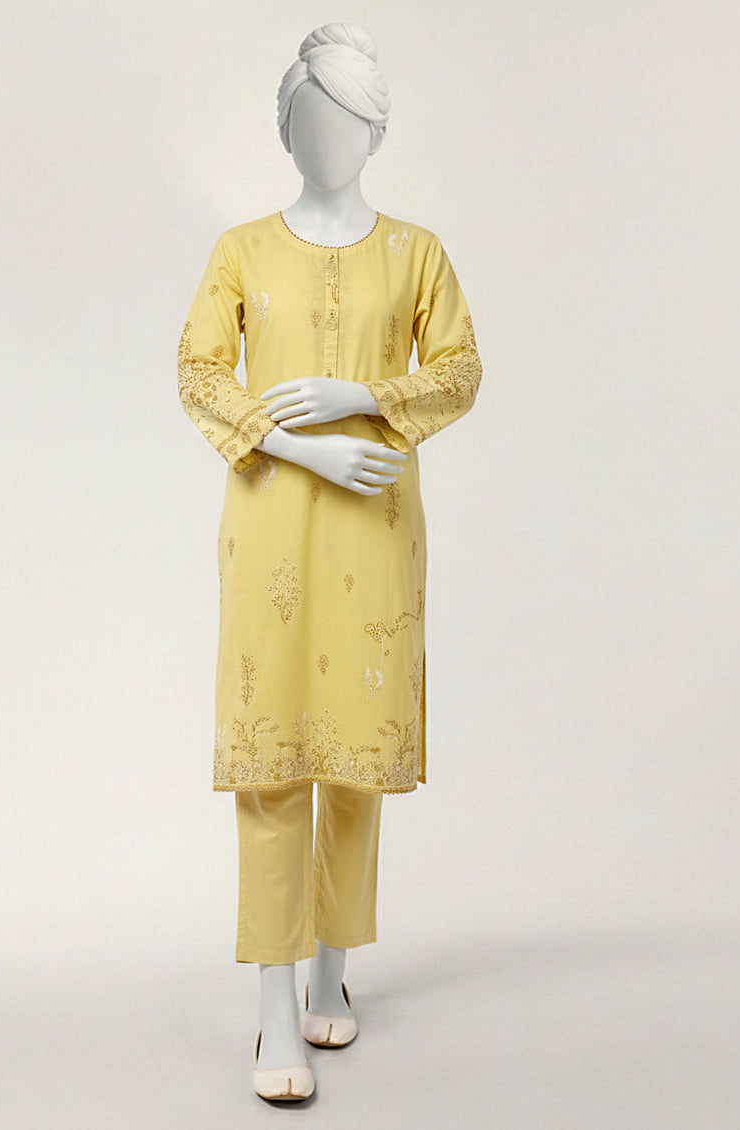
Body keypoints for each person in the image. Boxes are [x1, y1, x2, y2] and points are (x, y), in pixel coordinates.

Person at [177, 22, 482, 1102]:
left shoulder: (418, 253)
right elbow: (200, 373)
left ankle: (330, 972)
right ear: (284, 129)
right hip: (271, 523)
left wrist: (366, 395)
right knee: (272, 764)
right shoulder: (241, 251)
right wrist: (299, 444)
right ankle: (274, 1008)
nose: (329, 138)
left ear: (378, 132)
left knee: (353, 767)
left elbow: (458, 370)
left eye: (350, 121)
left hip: (375, 528)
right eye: (311, 119)